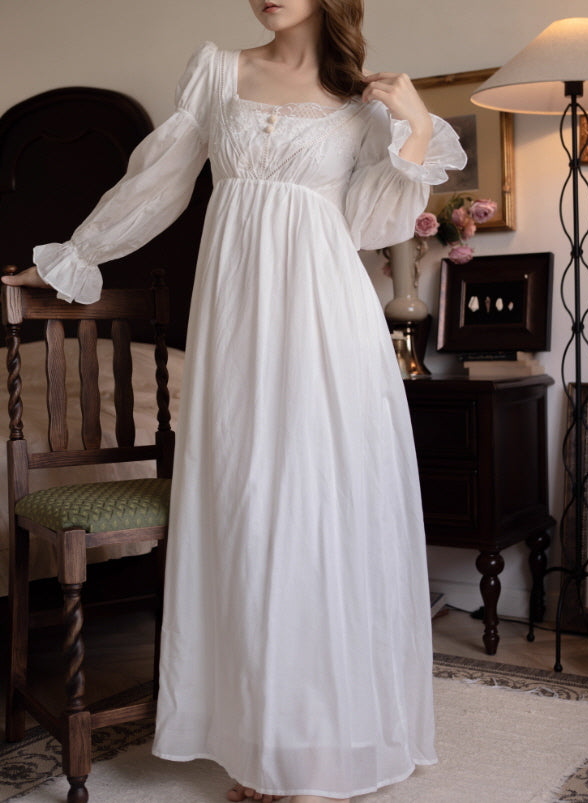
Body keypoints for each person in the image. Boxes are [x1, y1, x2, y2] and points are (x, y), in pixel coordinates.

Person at [3, 1, 466, 800]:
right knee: (252, 512)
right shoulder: (219, 70)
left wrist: (416, 129)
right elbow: (156, 182)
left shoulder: (367, 102)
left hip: (329, 322)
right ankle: (263, 738)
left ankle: (325, 741)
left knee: (323, 513)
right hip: (238, 325)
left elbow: (368, 222)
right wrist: (72, 257)